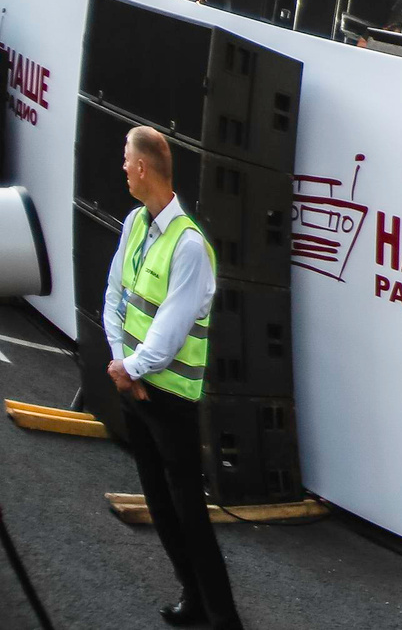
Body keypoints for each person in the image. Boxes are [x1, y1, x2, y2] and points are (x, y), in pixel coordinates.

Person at [104, 125, 243, 630]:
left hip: (169, 400)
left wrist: (131, 368)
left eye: (125, 159)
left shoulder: (190, 246)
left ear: (143, 168)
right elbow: (114, 298)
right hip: (136, 389)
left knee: (188, 513)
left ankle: (223, 618)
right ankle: (194, 599)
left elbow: (170, 328)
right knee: (161, 506)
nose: (121, 166)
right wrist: (122, 365)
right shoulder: (135, 224)